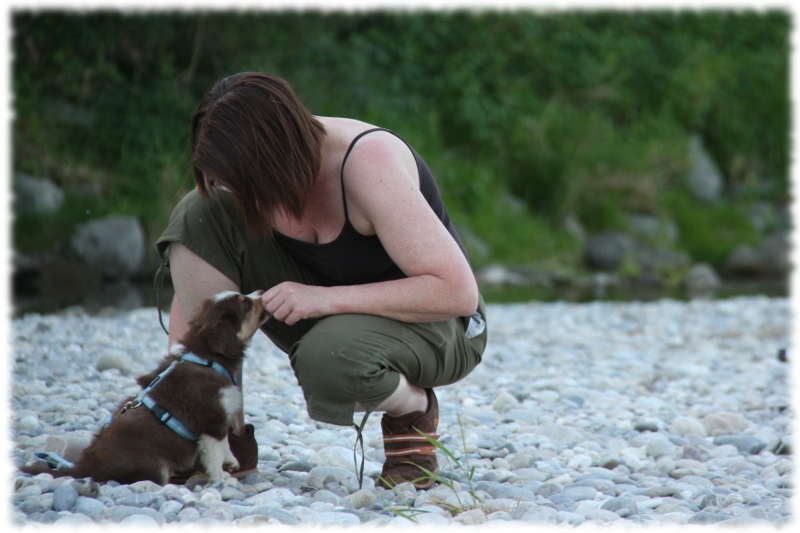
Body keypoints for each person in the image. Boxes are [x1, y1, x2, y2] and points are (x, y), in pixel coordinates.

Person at [155, 72, 488, 488]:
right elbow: (200, 290)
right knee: (196, 211)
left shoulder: (367, 162)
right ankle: (220, 436)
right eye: (227, 182)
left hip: (438, 322)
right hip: (331, 306)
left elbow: (457, 292)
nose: (236, 193)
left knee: (330, 359)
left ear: (275, 159)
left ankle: (412, 411)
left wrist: (324, 299)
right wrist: (178, 392)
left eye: (243, 183)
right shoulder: (241, 186)